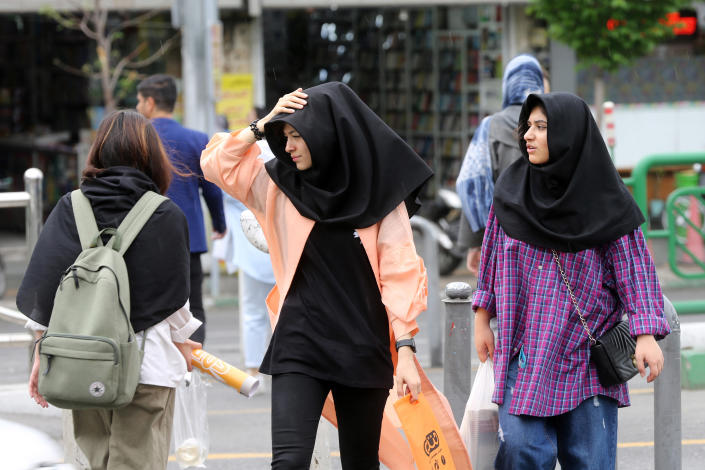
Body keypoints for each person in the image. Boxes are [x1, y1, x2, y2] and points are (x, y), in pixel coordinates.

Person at [201, 81, 432, 469]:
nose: (288, 146)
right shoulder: (278, 185)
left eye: (297, 135)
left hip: (364, 342)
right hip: (300, 342)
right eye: (285, 136)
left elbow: (400, 271)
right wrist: (262, 125)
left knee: (361, 463)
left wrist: (406, 349)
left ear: (326, 133)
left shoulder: (378, 195)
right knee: (289, 462)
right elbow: (216, 165)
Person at [472, 92, 671, 469]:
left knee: (590, 461)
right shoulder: (511, 193)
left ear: (569, 135)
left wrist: (645, 335)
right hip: (524, 353)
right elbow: (492, 257)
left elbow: (635, 270)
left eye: (541, 127)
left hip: (585, 360)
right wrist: (482, 317)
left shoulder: (606, 200)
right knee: (522, 450)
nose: (528, 135)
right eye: (527, 126)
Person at [18, 110, 202, 469]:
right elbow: (175, 300)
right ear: (152, 155)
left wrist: (43, 354)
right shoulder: (165, 214)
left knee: (98, 460)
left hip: (82, 360)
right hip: (147, 365)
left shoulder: (72, 207)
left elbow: (47, 287)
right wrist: (185, 344)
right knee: (138, 462)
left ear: (98, 151)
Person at [136, 74, 226, 344]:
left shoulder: (137, 138)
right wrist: (219, 224)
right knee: (193, 306)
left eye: (140, 101)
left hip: (145, 237)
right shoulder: (196, 139)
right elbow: (212, 189)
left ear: (150, 102)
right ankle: (194, 366)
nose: (138, 107)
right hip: (190, 239)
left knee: (150, 303)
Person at [456, 54, 544, 275]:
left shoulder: (490, 127)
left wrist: (475, 243)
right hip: (548, 240)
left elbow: (473, 183)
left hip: (503, 242)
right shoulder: (553, 122)